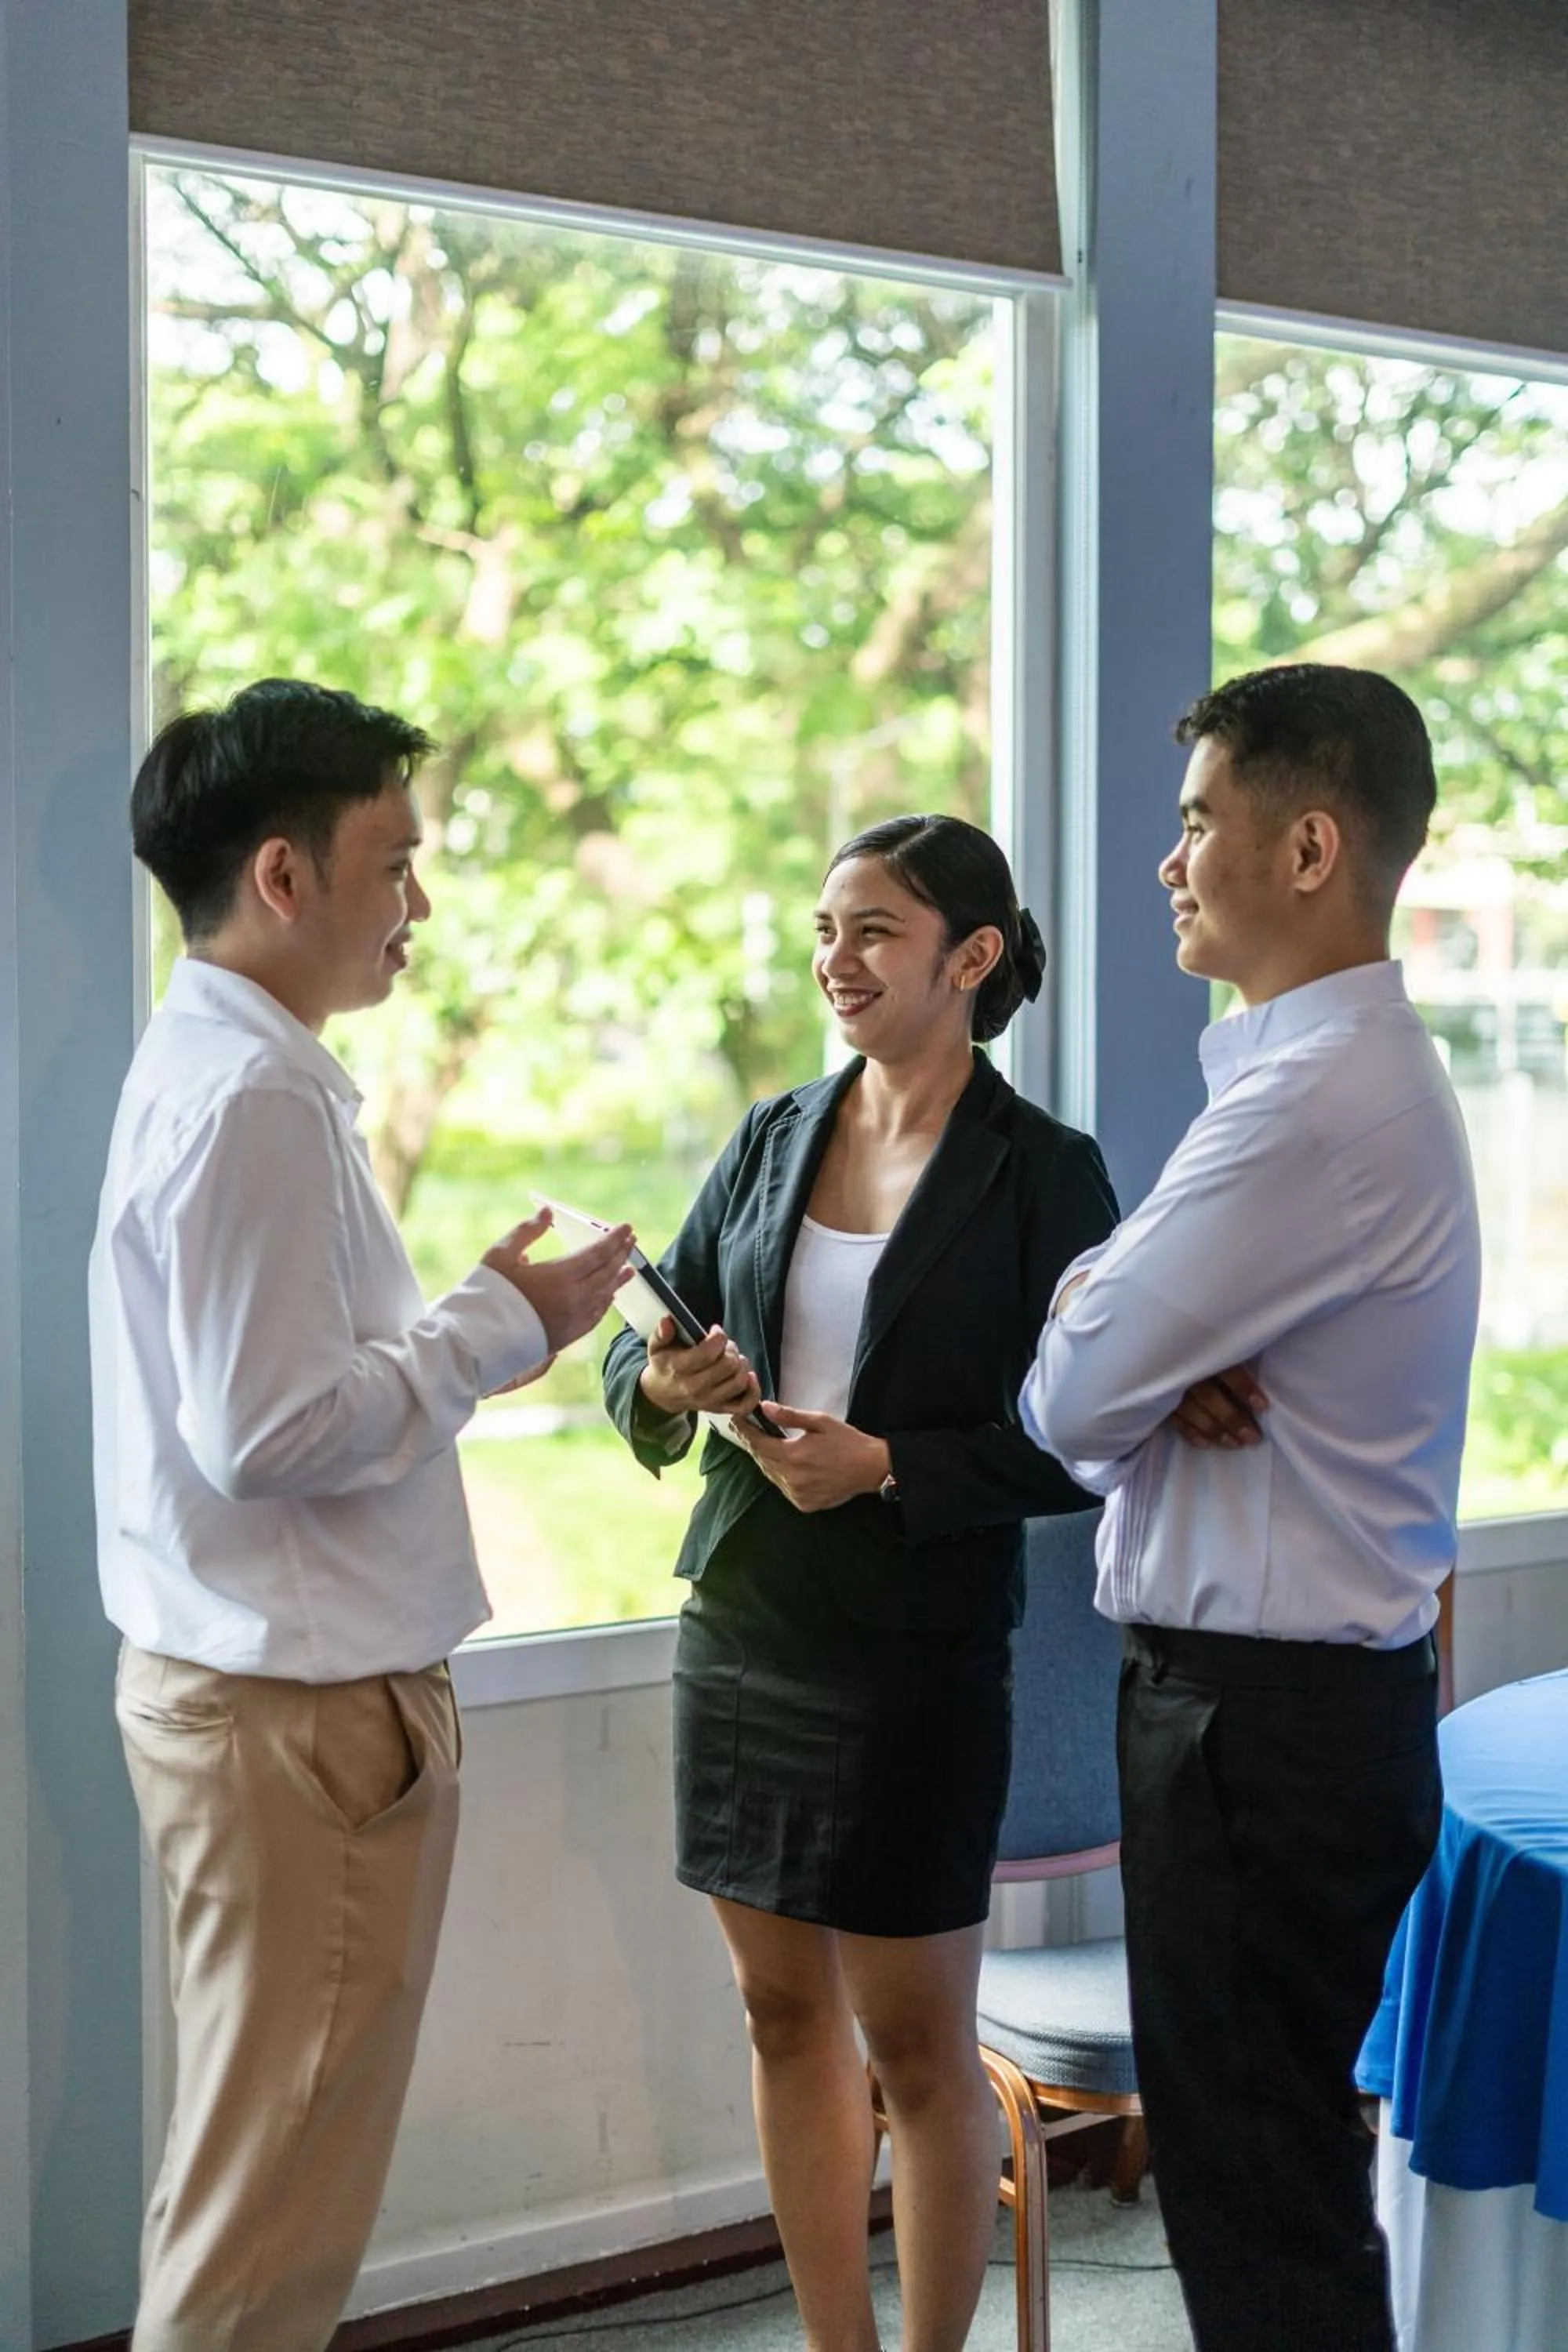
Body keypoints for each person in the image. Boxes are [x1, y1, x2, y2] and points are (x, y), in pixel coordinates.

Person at [89, 677, 632, 2352]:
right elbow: (268, 1433)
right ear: (281, 876)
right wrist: (500, 1326)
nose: (418, 904)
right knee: (273, 2211)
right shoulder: (251, 1097)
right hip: (297, 1719)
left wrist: (467, 1316)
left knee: (248, 2173)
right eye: (393, 864)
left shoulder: (227, 1064)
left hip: (249, 1696)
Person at [603, 815, 1117, 2352]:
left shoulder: (1046, 1176)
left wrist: (886, 1465)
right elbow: (638, 1349)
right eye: (826, 927)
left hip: (916, 1655)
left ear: (967, 957)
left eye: (874, 931)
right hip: (745, 1631)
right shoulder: (771, 1134)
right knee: (780, 2020)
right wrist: (672, 1382)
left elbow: (1089, 1433)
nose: (836, 958)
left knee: (913, 2043)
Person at [1022, 664, 1482, 2352]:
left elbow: (1068, 1400)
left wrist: (1104, 1312)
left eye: (1196, 819)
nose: (1170, 859)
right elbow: (1103, 1373)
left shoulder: (1302, 1108)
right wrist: (1124, 1306)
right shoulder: (1308, 1082)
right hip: (1290, 1717)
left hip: (1256, 1733)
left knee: (1258, 2202)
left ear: (1304, 849)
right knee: (1267, 2182)